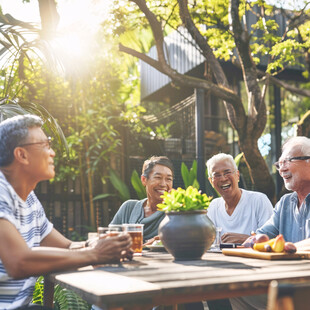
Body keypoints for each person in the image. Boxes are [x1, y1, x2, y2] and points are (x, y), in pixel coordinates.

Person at [0, 115, 132, 310]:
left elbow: (67, 246)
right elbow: (19, 262)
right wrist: (95, 253)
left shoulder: (30, 200)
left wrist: (96, 244)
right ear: (22, 155)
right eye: (45, 145)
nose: (52, 152)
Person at [232, 136, 310, 310]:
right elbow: (259, 237)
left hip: (304, 287)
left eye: (287, 160)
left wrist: (283, 247)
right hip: (283, 282)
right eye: (279, 163)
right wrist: (255, 240)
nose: (281, 168)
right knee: (233, 291)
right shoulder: (284, 203)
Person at [206, 153, 273, 244]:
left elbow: (270, 239)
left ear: (237, 175)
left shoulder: (259, 200)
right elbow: (209, 242)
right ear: (211, 181)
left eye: (227, 172)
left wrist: (245, 239)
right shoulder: (213, 206)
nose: (223, 179)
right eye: (217, 175)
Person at [110, 156, 174, 243]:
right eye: (158, 177)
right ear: (144, 180)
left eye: (168, 179)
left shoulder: (176, 212)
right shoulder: (129, 208)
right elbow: (109, 240)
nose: (163, 184)